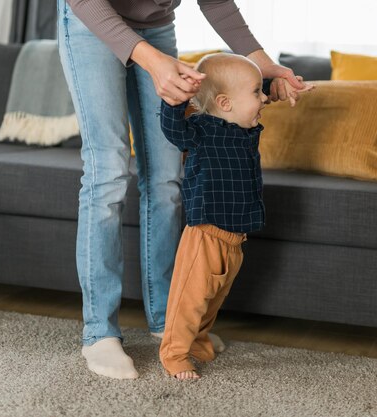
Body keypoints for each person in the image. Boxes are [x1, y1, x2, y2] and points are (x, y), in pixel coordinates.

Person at [57, 0, 308, 380]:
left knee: (166, 178)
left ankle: (167, 319)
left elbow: (218, 4)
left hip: (155, 27)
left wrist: (265, 66)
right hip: (92, 19)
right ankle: (100, 332)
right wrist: (151, 61)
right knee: (106, 173)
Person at [158, 53, 311, 380]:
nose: (262, 99)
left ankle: (198, 339)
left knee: (214, 298)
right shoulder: (202, 130)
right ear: (225, 103)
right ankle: (174, 353)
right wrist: (173, 103)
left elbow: (255, 94)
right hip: (206, 232)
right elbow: (174, 130)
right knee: (192, 298)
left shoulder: (242, 126)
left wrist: (276, 84)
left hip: (235, 236)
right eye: (257, 93)